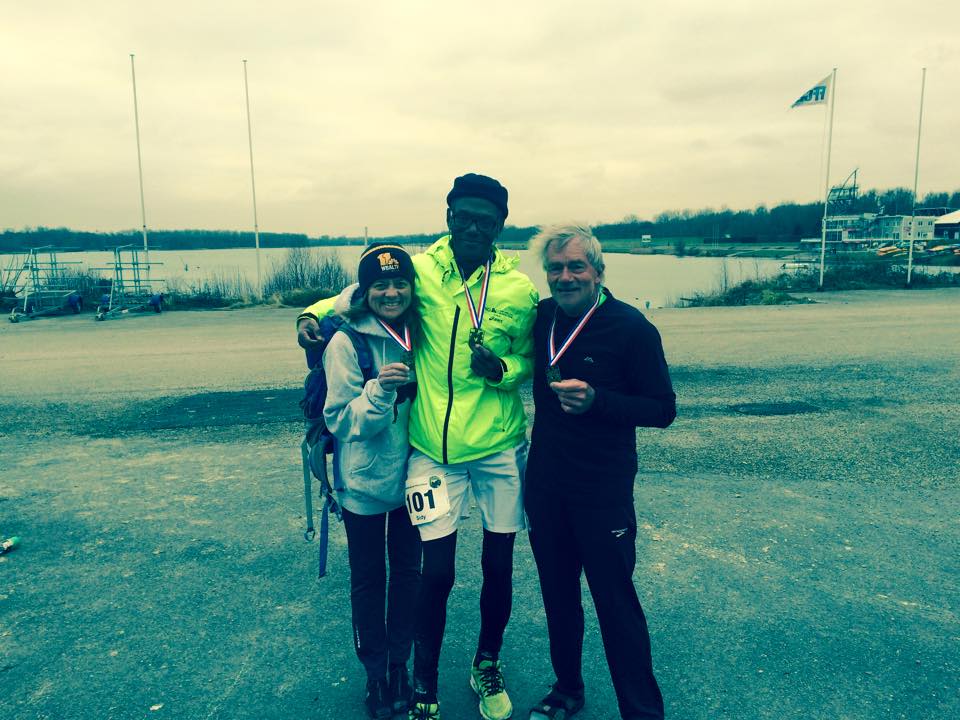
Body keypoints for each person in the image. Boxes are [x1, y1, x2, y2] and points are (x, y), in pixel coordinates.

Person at [297, 173, 538, 720]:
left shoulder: (519, 290)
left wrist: (503, 368)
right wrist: (311, 313)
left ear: (501, 225)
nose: (473, 227)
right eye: (464, 216)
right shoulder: (421, 271)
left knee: (498, 566)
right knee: (434, 573)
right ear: (448, 216)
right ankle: (420, 680)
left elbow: (527, 359)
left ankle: (485, 663)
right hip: (430, 450)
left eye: (486, 220)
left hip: (498, 447)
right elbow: (357, 293)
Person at [523, 225, 676, 720]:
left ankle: (643, 711)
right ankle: (567, 690)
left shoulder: (631, 328)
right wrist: (321, 318)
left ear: (598, 271)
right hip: (546, 485)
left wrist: (599, 401)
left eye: (576, 266)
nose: (565, 277)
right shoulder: (541, 317)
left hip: (602, 490)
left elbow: (663, 409)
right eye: (556, 268)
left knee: (615, 603)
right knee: (558, 597)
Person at [321, 243, 423, 719]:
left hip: (414, 480)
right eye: (380, 284)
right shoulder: (346, 344)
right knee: (367, 580)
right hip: (361, 485)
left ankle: (400, 665)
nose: (391, 293)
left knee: (408, 575)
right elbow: (341, 421)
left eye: (400, 283)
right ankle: (374, 673)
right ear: (365, 290)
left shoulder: (422, 333)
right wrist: (380, 391)